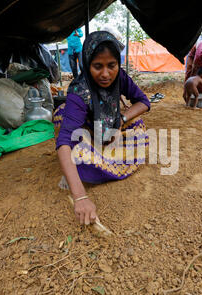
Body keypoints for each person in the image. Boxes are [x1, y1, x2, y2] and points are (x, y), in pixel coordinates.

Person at [53, 31, 150, 225]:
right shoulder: (79, 90)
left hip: (112, 131)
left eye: (111, 66)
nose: (105, 74)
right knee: (62, 116)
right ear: (88, 64)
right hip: (88, 133)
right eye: (98, 66)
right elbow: (64, 140)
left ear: (117, 64)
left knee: (140, 130)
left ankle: (100, 161)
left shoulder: (121, 78)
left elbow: (144, 102)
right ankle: (80, 170)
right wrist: (80, 196)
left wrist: (122, 118)